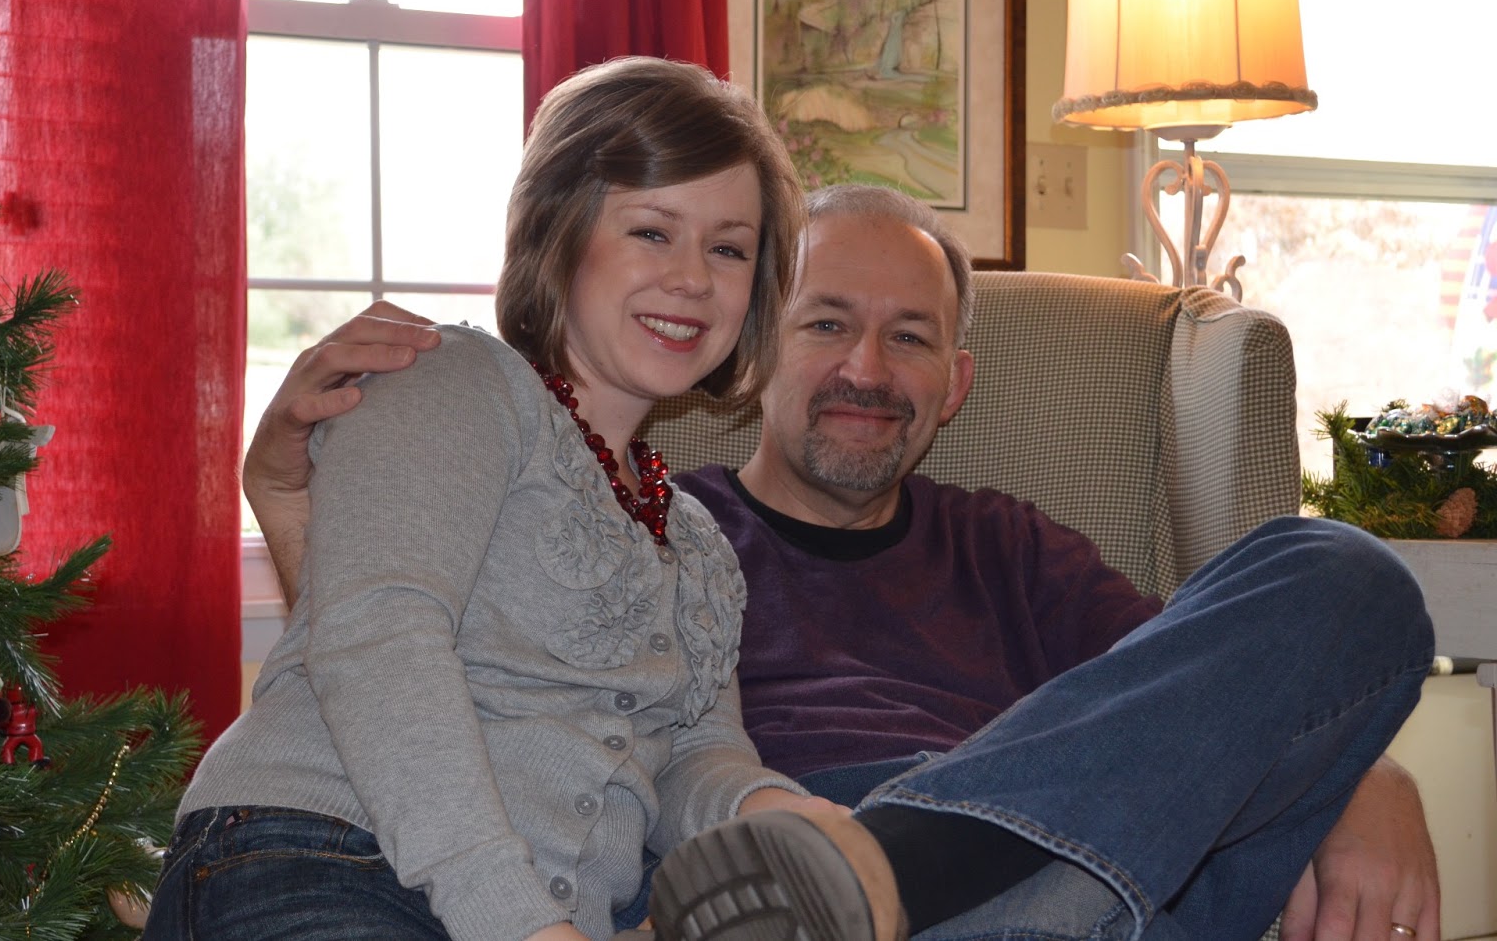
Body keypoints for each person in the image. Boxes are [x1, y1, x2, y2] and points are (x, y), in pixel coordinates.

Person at [245, 185, 1439, 941]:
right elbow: (408, 685)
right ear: (755, 348)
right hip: (748, 886)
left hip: (1064, 878)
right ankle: (847, 865)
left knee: (1345, 571)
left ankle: (886, 869)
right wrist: (293, 500)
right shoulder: (646, 531)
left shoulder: (1015, 548)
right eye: (825, 323)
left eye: (907, 337)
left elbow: (1193, 699)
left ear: (954, 385)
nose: (866, 369)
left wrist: (1369, 774)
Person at [145, 56, 837, 941]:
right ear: (561, 231)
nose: (694, 277)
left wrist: (785, 813)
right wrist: (521, 924)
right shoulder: (456, 379)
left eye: (728, 248)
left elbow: (693, 755)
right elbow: (379, 637)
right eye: (652, 231)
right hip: (321, 855)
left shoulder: (698, 540)